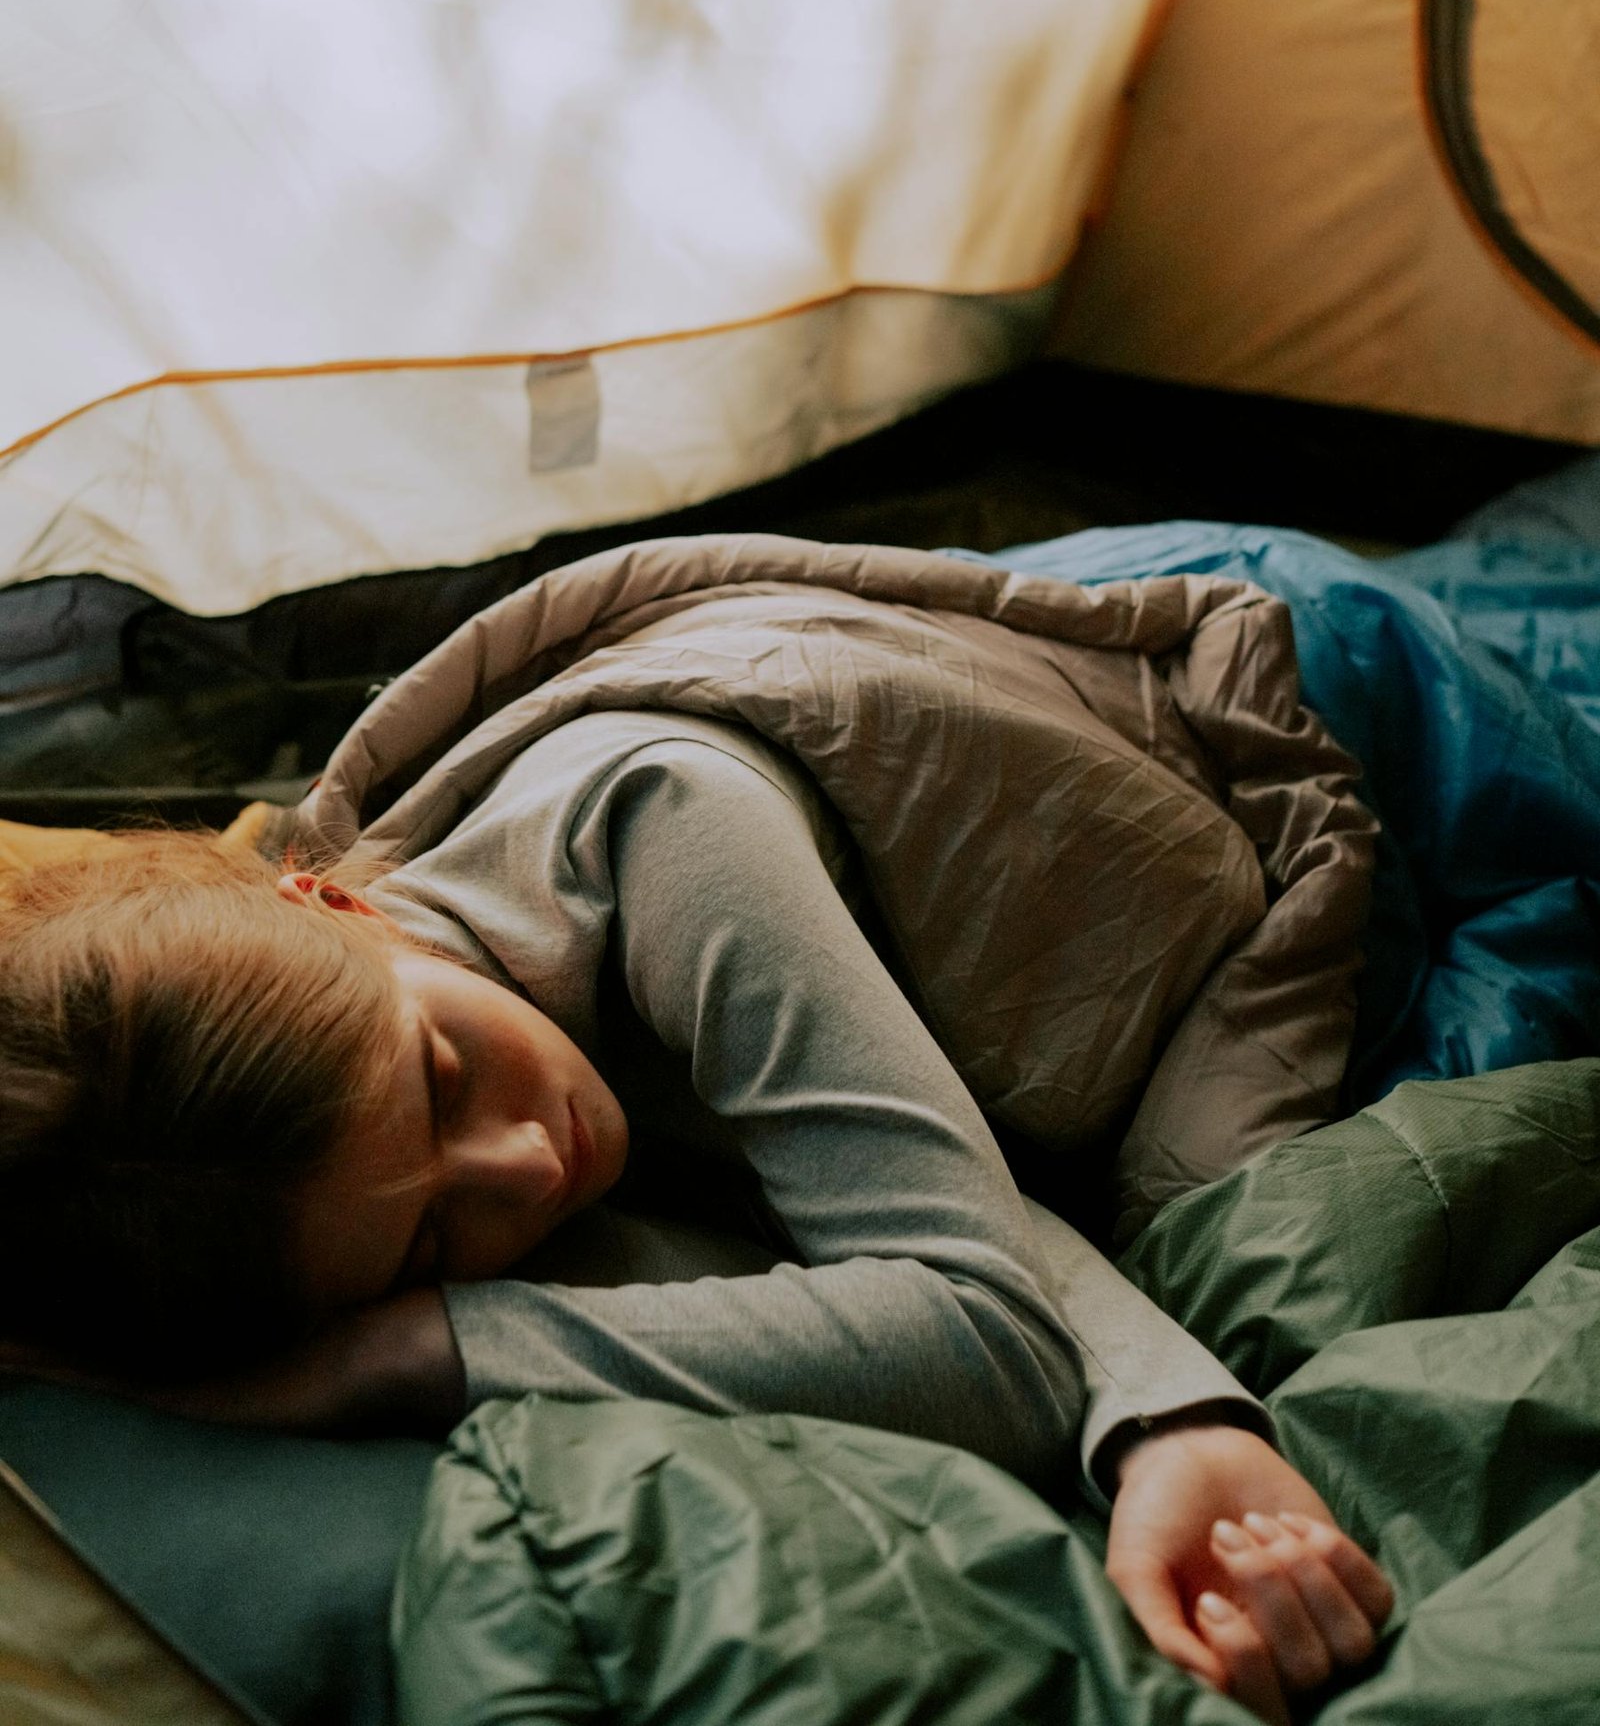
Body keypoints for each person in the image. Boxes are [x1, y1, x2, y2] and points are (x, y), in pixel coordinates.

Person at [0, 538, 1393, 1722]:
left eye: (441, 1077)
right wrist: (1166, 1422)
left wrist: (414, 1348)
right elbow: (913, 1193)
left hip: (1257, 679)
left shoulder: (662, 821)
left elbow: (984, 1336)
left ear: (333, 900)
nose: (528, 1165)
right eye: (429, 1237)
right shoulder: (381, 1129)